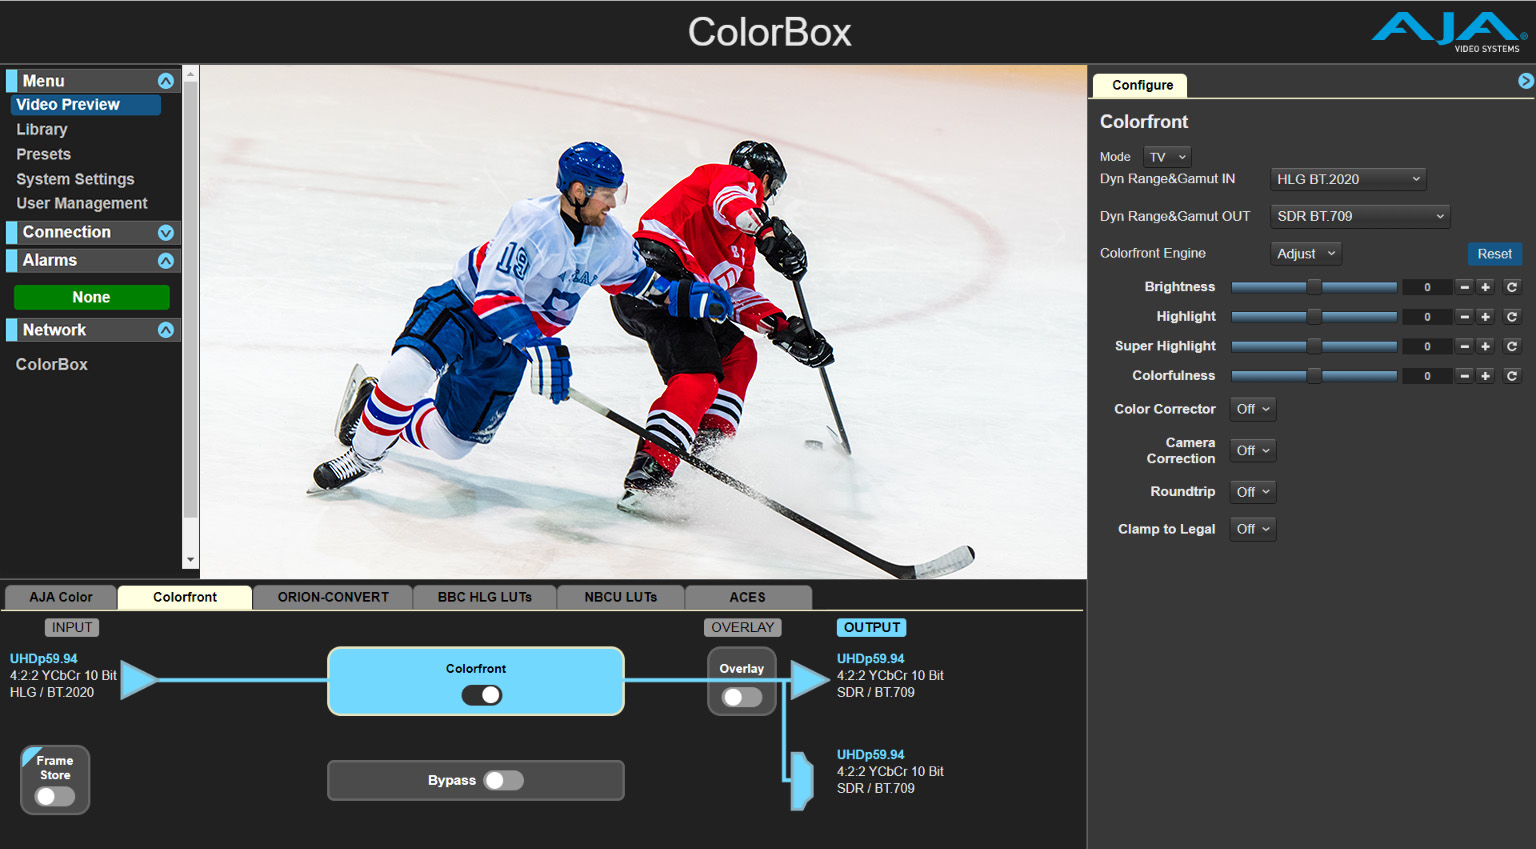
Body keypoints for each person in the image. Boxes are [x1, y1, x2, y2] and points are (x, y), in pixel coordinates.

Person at [310, 142, 729, 492]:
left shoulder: (611, 239)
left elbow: (636, 281)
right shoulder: (532, 221)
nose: (612, 203)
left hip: (511, 345)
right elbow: (494, 295)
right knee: (407, 372)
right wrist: (535, 344)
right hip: (465, 309)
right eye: (606, 194)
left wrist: (686, 296)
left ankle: (373, 407)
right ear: (578, 190)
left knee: (453, 444)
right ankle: (361, 456)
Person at [610, 140, 834, 513]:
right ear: (765, 179)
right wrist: (766, 232)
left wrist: (783, 329)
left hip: (689, 295)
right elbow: (731, 201)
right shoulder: (727, 178)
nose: (765, 195)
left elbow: (737, 293)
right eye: (769, 189)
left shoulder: (741, 244)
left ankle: (709, 447)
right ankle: (649, 476)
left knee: (739, 353)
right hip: (657, 278)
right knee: (698, 375)